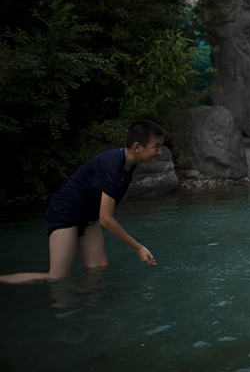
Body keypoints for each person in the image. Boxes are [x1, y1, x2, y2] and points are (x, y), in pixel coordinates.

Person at [0, 120, 166, 284]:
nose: (159, 151)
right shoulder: (113, 165)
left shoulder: (128, 164)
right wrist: (138, 247)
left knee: (98, 267)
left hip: (87, 216)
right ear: (137, 147)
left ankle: (90, 301)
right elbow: (106, 219)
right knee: (57, 278)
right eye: (156, 146)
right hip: (66, 212)